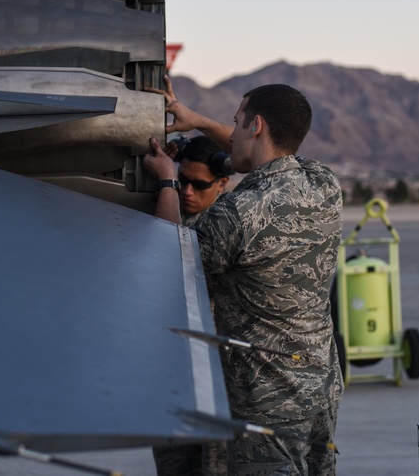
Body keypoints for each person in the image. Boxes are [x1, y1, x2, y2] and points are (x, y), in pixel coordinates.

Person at [144, 76, 344, 475]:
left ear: (256, 126)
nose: (230, 132)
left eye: (236, 123)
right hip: (320, 384)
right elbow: (247, 157)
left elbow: (170, 257)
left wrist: (167, 180)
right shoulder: (323, 182)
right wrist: (195, 120)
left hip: (267, 397)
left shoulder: (238, 213)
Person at [174, 136, 231, 227]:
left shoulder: (224, 224)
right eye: (183, 179)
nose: (187, 191)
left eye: (199, 185)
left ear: (222, 183)